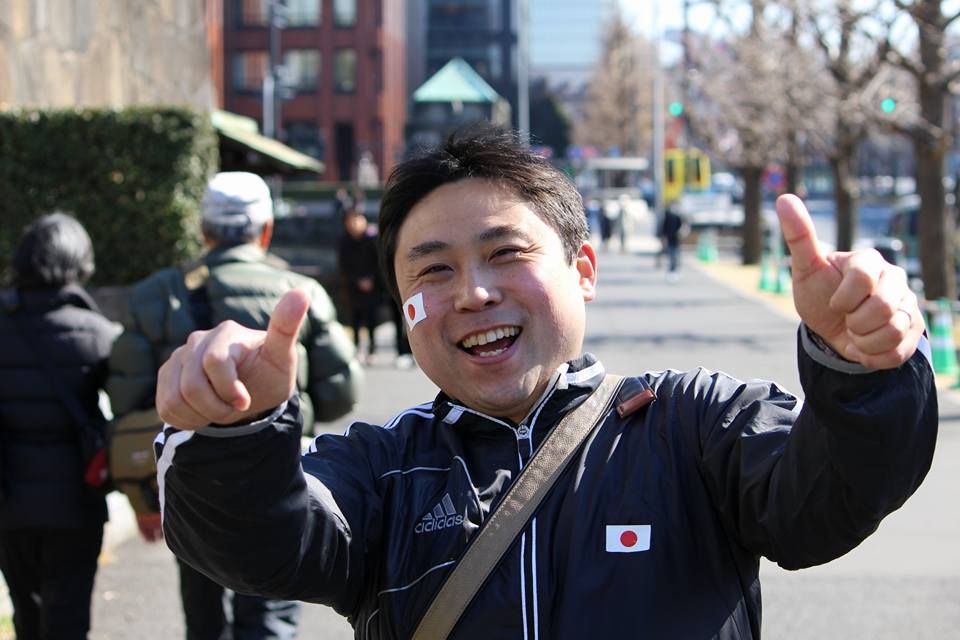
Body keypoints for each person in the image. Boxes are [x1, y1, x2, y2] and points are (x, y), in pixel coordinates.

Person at [153, 128, 937, 638]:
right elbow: (262, 542)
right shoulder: (380, 469)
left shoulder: (692, 424)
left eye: (506, 253)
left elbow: (825, 500)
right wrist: (233, 436)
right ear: (404, 306)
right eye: (433, 271)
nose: (473, 293)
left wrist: (859, 369)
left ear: (583, 269)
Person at [107, 171, 362, 640]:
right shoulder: (299, 293)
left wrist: (143, 496)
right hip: (284, 477)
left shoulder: (156, 294)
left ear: (204, 230)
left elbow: (129, 402)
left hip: (191, 482)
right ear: (265, 230)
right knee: (272, 609)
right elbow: (340, 391)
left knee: (203, 610)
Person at [0, 213, 121, 639]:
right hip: (77, 496)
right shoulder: (98, 333)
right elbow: (126, 411)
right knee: (69, 614)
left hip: (8, 496)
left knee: (25, 611)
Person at [337, 207, 381, 364]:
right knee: (354, 318)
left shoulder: (372, 239)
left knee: (371, 318)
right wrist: (356, 280)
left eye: (357, 219)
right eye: (351, 220)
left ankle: (372, 349)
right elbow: (344, 265)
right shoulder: (344, 241)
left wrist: (370, 279)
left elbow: (378, 262)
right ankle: (356, 349)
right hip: (352, 286)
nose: (354, 223)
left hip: (372, 285)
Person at [659, 204, 685, 280]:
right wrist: (663, 238)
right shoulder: (668, 216)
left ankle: (673, 271)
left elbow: (681, 228)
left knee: (674, 256)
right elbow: (663, 229)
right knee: (672, 256)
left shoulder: (677, 217)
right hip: (671, 239)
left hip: (675, 239)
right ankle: (672, 271)